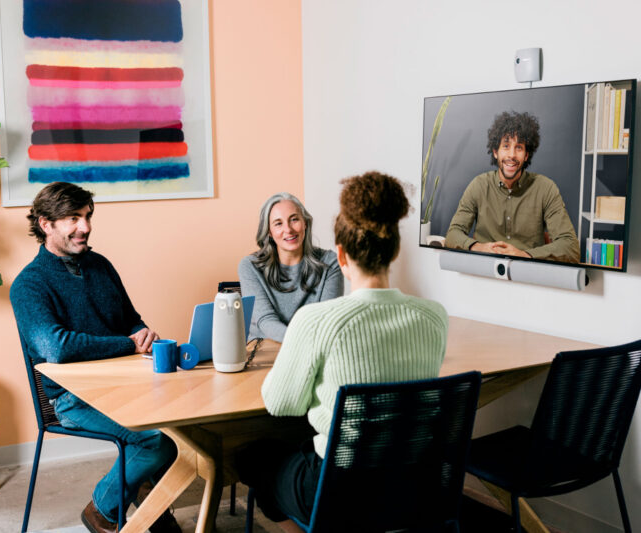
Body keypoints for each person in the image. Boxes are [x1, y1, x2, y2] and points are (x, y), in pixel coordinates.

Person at [238, 172, 448, 531]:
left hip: (338, 489)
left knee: (252, 458)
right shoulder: (435, 317)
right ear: (396, 250)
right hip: (413, 484)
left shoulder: (316, 322)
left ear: (341, 255)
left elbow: (279, 404)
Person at [10, 182, 180, 533]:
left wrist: (142, 332)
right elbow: (57, 348)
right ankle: (102, 509)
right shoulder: (28, 285)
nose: (85, 227)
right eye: (73, 218)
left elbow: (129, 319)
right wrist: (127, 344)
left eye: (87, 216)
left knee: (186, 427)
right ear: (46, 224)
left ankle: (149, 499)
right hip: (73, 400)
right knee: (157, 442)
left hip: (128, 383)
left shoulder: (100, 265)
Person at [445, 111, 580, 262]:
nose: (512, 155)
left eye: (519, 147)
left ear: (527, 155)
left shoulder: (546, 188)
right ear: (495, 152)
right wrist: (479, 247)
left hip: (528, 274)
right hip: (483, 272)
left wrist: (525, 255)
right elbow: (452, 235)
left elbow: (570, 247)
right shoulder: (478, 186)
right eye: (506, 146)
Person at [238, 192, 343, 342]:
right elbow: (266, 320)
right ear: (269, 232)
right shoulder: (249, 266)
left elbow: (327, 320)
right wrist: (301, 342)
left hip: (313, 350)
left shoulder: (330, 262)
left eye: (294, 220)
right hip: (267, 349)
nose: (288, 229)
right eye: (278, 223)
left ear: (305, 223)